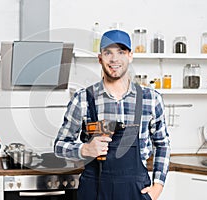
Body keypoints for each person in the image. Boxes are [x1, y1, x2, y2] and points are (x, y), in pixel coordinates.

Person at [54, 29, 170, 200]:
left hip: (136, 192)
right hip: (94, 190)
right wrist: (85, 149)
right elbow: (59, 146)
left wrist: (158, 186)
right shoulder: (83, 99)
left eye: (121, 52)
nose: (114, 59)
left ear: (130, 56)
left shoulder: (150, 99)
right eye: (108, 52)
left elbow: (163, 144)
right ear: (100, 58)